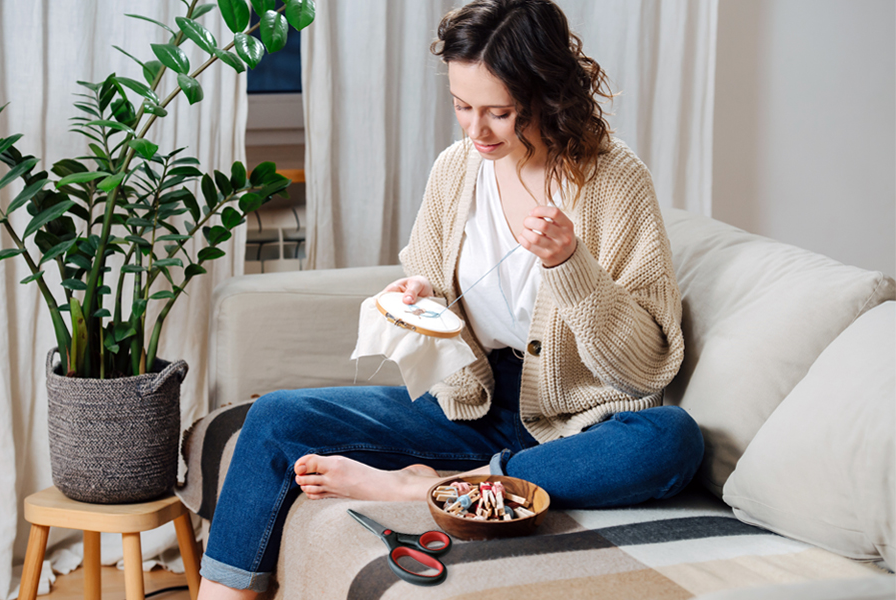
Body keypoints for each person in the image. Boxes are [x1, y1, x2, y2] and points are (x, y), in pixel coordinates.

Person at [198, 0, 704, 596]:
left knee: (672, 439)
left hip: (578, 425)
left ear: (547, 94)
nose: (475, 130)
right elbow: (435, 281)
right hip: (471, 404)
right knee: (276, 417)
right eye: (463, 106)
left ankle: (432, 486)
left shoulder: (616, 180)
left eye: (499, 112)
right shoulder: (455, 170)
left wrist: (572, 265)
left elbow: (645, 369)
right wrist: (421, 297)